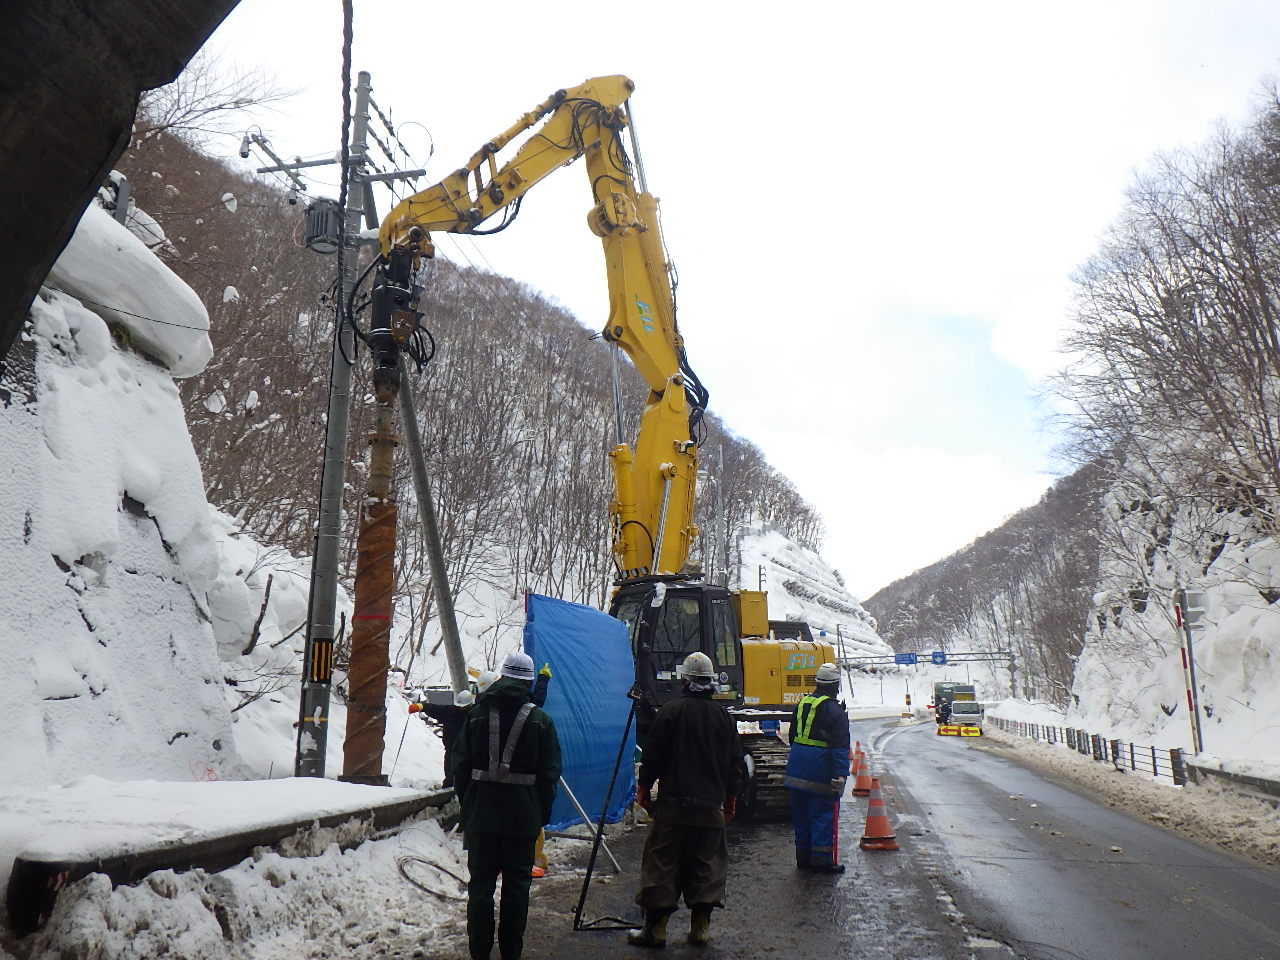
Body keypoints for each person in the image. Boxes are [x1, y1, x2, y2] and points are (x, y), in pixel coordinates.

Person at [629, 651, 743, 949]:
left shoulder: (670, 711)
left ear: (685, 679)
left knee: (662, 864)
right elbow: (735, 765)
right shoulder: (724, 718)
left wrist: (644, 787)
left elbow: (653, 756)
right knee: (707, 865)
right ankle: (700, 930)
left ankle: (656, 931)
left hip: (673, 808)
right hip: (709, 810)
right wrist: (731, 799)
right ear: (710, 682)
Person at [452, 650, 561, 960]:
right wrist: (540, 814)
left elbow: (459, 767)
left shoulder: (476, 714)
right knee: (516, 888)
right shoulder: (540, 720)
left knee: (481, 887)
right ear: (528, 681)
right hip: (522, 819)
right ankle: (511, 952)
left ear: (502, 677)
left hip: (482, 817)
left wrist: (470, 804)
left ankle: (479, 953)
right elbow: (550, 774)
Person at [783, 662, 851, 873]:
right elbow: (840, 747)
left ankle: (803, 859)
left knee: (801, 816)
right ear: (836, 685)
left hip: (796, 769)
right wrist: (840, 774)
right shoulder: (834, 711)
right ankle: (821, 862)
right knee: (822, 816)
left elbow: (793, 736)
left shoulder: (803, 704)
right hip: (819, 772)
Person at [409, 687, 474, 788]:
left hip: (468, 752)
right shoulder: (450, 711)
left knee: (466, 777)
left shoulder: (475, 714)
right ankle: (449, 792)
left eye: (464, 706)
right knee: (450, 775)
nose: (462, 708)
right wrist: (420, 706)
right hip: (451, 750)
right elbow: (434, 708)